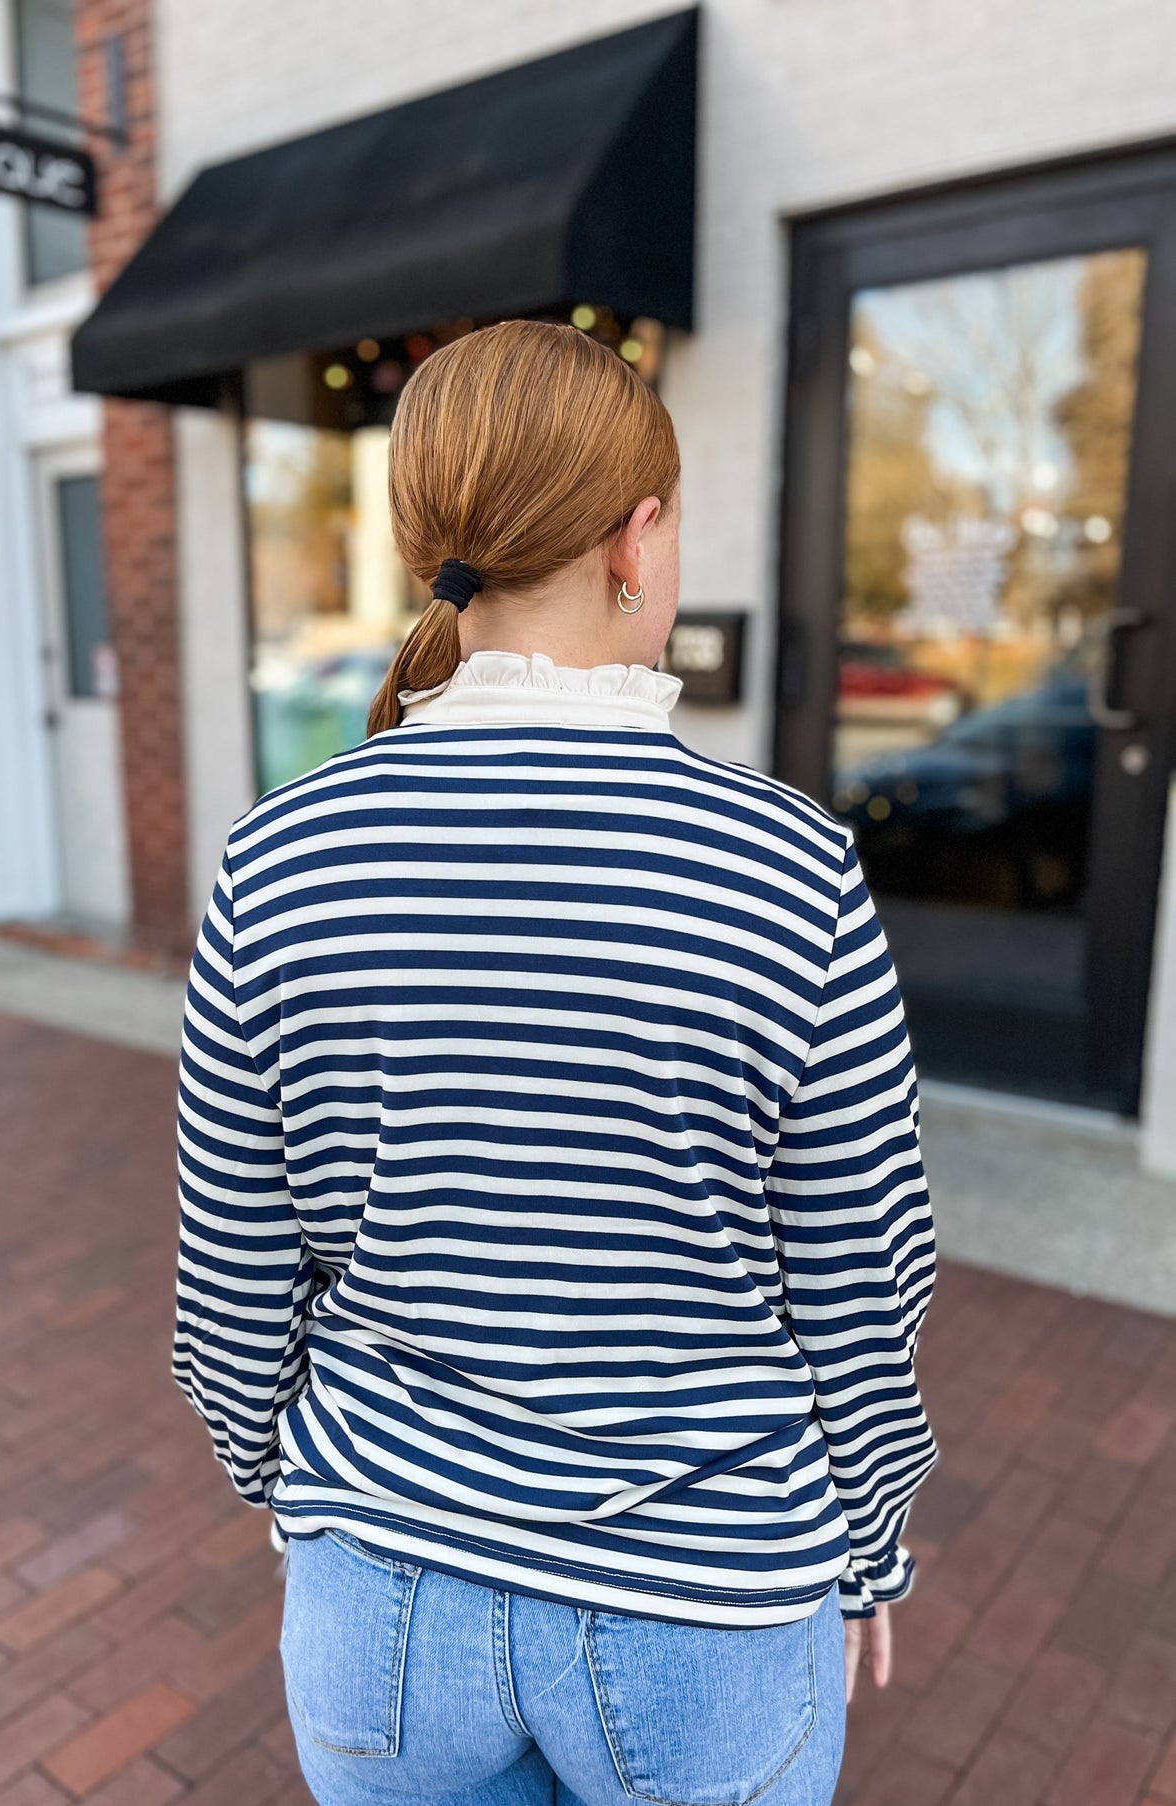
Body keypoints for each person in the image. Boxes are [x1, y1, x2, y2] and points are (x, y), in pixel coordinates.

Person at [171, 319, 937, 1806]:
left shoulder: (277, 859)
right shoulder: (785, 867)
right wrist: (869, 1536)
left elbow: (229, 1281)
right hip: (702, 1604)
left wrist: (306, 1501)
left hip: (378, 1604)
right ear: (636, 539)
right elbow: (862, 1276)